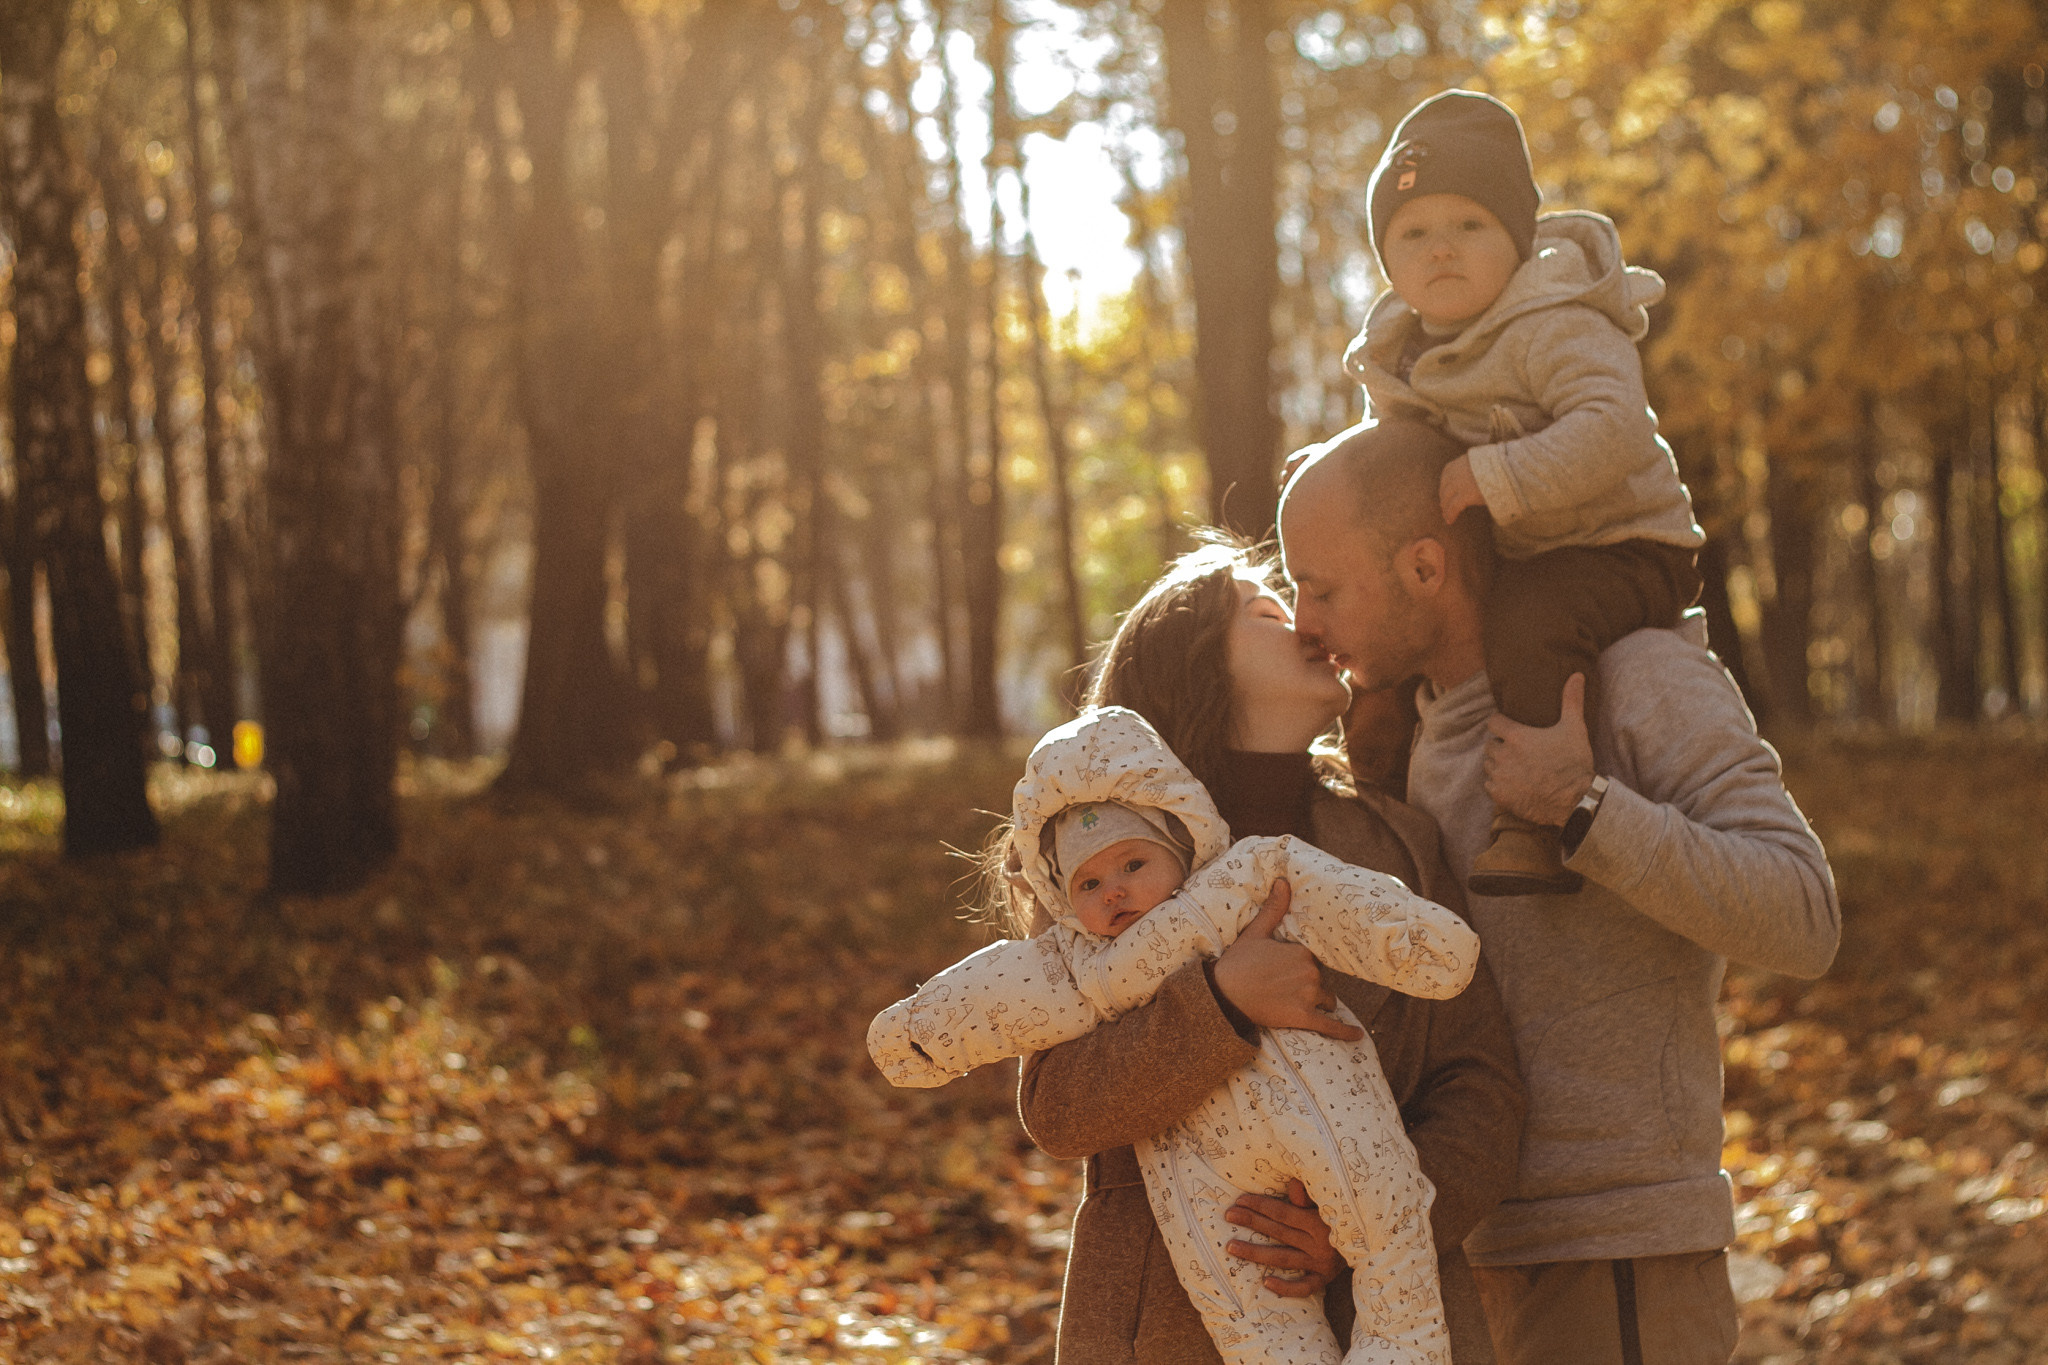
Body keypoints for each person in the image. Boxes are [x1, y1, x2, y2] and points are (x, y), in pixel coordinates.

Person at [1281, 419, 1840, 1365]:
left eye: (1322, 587)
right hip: (1449, 1260)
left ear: (1426, 567)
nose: (1302, 619)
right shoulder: (1394, 750)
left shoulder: (1634, 674)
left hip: (1617, 1253)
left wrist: (1582, 808)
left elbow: (1805, 914)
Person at [1017, 543, 1526, 1364]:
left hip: (1390, 1318)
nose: (1303, 620)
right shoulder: (1103, 860)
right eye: (1266, 609)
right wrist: (1218, 1002)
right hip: (1167, 1324)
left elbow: (1482, 1084)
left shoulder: (1398, 841)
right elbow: (1057, 1104)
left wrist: (1365, 1224)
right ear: (1192, 668)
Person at [870, 704, 1482, 1365]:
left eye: (1133, 864)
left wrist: (1425, 947)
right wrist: (920, 1035)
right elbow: (1001, 999)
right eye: (1089, 882)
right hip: (1199, 1167)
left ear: (1179, 839)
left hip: (1324, 1107)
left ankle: (1400, 1343)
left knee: (1380, 1207)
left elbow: (1344, 903)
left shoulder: (1241, 879)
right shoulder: (1082, 963)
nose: (1115, 893)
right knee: (1244, 1300)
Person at [1341, 88, 1706, 895]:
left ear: (1517, 235)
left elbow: (1615, 430)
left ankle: (1534, 821)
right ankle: (1372, 796)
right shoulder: (1401, 355)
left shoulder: (1555, 318)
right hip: (1522, 544)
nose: (1441, 249)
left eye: (1469, 224)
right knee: (1392, 640)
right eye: (1413, 233)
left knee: (1530, 623)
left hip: (1622, 542)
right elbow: (1390, 460)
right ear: (1388, 261)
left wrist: (1493, 474)